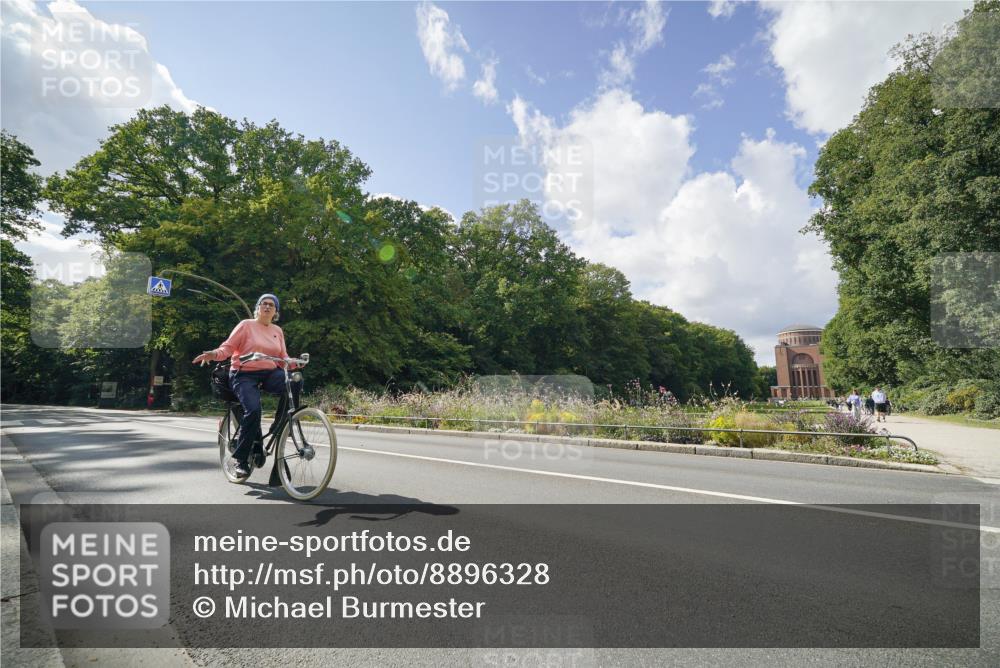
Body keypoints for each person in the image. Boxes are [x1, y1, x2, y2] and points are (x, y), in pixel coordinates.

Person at [193, 294, 301, 477]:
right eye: (264, 304)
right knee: (253, 411)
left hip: (268, 373)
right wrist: (213, 354)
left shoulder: (277, 330)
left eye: (271, 305)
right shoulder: (246, 325)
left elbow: (282, 357)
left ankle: (281, 425)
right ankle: (241, 460)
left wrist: (293, 363)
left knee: (295, 380)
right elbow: (227, 348)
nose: (267, 307)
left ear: (276, 312)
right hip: (243, 374)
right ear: (258, 308)